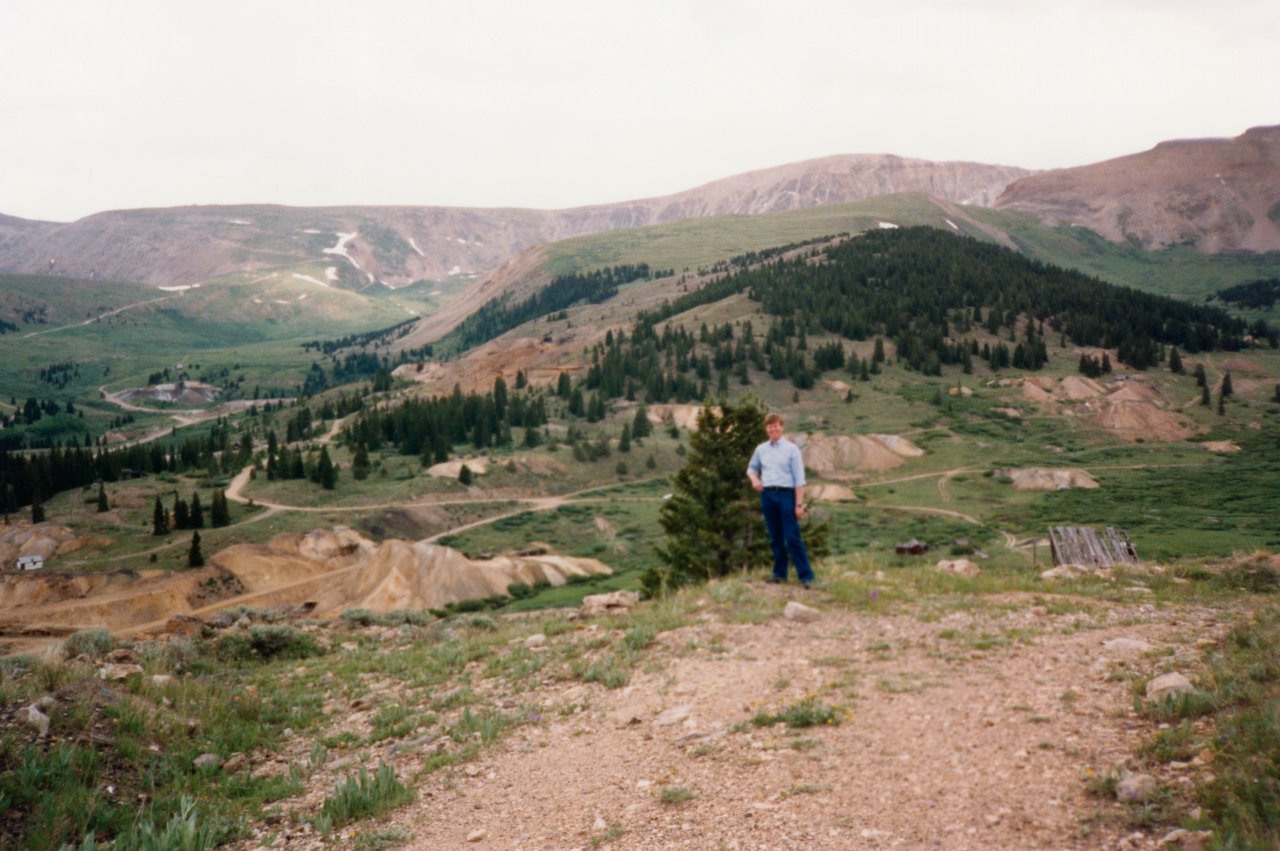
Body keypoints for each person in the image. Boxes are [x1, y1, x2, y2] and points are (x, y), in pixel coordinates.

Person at [746, 412, 814, 587]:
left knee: (792, 537)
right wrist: (754, 480)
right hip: (768, 495)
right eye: (770, 426)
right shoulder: (761, 449)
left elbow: (799, 479)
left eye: (776, 426)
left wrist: (799, 504)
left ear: (782, 427)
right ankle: (779, 574)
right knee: (775, 537)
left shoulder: (792, 449)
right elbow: (751, 469)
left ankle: (806, 576)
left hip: (786, 495)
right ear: (766, 429)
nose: (773, 429)